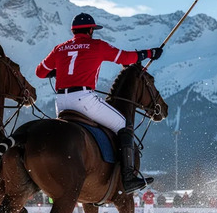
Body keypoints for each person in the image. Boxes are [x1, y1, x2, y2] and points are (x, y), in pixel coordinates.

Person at [35, 12, 163, 193]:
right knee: (124, 124)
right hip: (83, 99)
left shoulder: (60, 48)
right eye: (92, 30)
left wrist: (58, 71)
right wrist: (150, 53)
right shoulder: (97, 46)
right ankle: (128, 178)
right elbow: (126, 58)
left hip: (61, 103)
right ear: (89, 30)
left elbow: (40, 72)